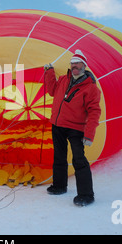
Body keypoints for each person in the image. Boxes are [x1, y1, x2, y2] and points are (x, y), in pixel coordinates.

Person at [44, 50, 101, 206]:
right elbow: (51, 91)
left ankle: (86, 195)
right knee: (59, 157)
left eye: (78, 64)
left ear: (84, 66)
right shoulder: (63, 79)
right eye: (73, 63)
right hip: (57, 125)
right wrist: (49, 72)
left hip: (76, 129)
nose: (75, 66)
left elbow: (95, 112)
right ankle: (59, 186)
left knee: (79, 161)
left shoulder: (91, 88)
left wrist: (89, 135)